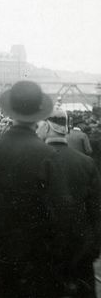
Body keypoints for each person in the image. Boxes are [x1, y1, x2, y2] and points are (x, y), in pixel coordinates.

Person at [0, 80, 61, 297]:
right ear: (39, 115)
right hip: (37, 258)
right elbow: (58, 212)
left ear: (10, 111)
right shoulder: (47, 155)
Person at [39, 106, 101, 297]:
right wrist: (93, 248)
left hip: (45, 252)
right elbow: (97, 210)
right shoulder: (86, 162)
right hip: (80, 250)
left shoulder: (35, 160)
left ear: (48, 127)